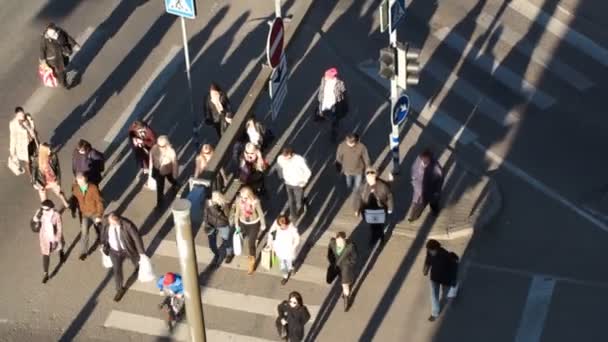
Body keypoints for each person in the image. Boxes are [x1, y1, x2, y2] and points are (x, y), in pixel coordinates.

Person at [100, 212, 146, 301]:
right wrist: (102, 244)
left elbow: (137, 239)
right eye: (110, 223)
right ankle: (119, 289)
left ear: (118, 221)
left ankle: (138, 268)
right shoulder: (106, 222)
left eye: (113, 224)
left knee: (136, 261)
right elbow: (103, 233)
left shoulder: (128, 225)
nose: (111, 225)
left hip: (128, 249)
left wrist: (142, 253)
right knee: (117, 271)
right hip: (114, 251)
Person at [354, 168, 394, 246]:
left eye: (371, 177)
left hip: (380, 210)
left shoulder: (382, 186)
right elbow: (358, 197)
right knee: (372, 226)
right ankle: (374, 238)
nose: (369, 179)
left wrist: (390, 208)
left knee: (380, 226)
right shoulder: (363, 186)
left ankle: (382, 238)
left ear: (375, 176)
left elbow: (389, 196)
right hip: (368, 211)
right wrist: (356, 209)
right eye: (368, 177)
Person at [423, 239, 459, 322]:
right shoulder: (430, 252)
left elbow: (454, 268)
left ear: (437, 249)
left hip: (445, 278)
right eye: (429, 250)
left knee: (450, 290)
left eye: (431, 250)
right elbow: (428, 261)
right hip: (434, 278)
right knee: (433, 296)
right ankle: (434, 313)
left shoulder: (445, 255)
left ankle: (453, 293)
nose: (430, 252)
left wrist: (453, 280)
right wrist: (425, 269)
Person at [71, 173, 104, 261]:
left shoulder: (93, 188)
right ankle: (83, 252)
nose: (80, 184)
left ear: (85, 180)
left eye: (81, 182)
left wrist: (99, 215)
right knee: (84, 233)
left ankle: (103, 243)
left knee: (100, 229)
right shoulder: (76, 188)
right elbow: (74, 199)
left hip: (94, 213)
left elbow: (99, 201)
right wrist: (73, 210)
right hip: (84, 213)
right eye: (78, 182)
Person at [233, 186, 266, 275]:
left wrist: (263, 224)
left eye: (245, 197)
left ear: (250, 196)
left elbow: (260, 213)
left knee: (251, 245)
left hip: (254, 224)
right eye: (242, 196)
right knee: (241, 238)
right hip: (242, 222)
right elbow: (237, 212)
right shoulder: (239, 200)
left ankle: (251, 265)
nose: (243, 199)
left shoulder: (255, 201)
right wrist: (236, 223)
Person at [32, 200, 65, 284]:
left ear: (50, 208)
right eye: (42, 208)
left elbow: (59, 228)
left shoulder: (56, 215)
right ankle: (45, 273)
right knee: (45, 254)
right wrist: (37, 216)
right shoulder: (40, 212)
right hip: (44, 237)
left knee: (60, 246)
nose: (44, 210)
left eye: (45, 209)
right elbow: (34, 220)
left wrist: (57, 240)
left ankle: (61, 254)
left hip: (54, 236)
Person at [39, 23, 80, 88]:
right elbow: (42, 49)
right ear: (48, 31)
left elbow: (67, 37)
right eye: (51, 31)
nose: (54, 32)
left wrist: (74, 45)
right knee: (61, 72)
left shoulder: (60, 31)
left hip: (64, 54)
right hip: (54, 60)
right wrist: (42, 60)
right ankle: (65, 84)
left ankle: (59, 75)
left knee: (65, 64)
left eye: (54, 30)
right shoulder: (45, 39)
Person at [276, 147, 311, 221]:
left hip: (298, 185)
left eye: (286, 156)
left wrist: (304, 182)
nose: (285, 158)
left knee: (298, 202)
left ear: (291, 153)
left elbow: (308, 172)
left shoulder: (299, 160)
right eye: (284, 156)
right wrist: (282, 177)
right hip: (288, 183)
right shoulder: (281, 158)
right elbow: (279, 167)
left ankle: (302, 203)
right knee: (291, 200)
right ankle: (294, 216)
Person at [31, 143, 70, 208]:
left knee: (59, 192)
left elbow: (57, 169)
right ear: (44, 152)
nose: (50, 151)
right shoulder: (37, 159)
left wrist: (58, 181)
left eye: (50, 149)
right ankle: (46, 210)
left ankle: (65, 202)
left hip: (52, 179)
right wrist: (34, 182)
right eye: (48, 150)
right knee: (43, 200)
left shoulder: (53, 156)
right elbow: (34, 170)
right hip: (41, 181)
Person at [409, 149, 444, 222]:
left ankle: (435, 212)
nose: (424, 163)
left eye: (426, 162)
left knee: (433, 203)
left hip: (430, 191)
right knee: (415, 204)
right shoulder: (419, 160)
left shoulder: (436, 168)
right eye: (423, 161)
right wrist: (414, 179)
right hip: (418, 190)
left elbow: (439, 181)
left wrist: (437, 192)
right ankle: (413, 217)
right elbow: (414, 169)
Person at [315, 67, 348, 142]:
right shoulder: (324, 80)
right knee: (324, 112)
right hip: (325, 103)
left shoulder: (339, 83)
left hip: (335, 105)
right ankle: (322, 117)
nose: (325, 77)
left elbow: (344, 93)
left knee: (335, 120)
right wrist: (319, 98)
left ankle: (334, 135)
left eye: (327, 76)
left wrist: (344, 102)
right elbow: (321, 90)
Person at [327, 232, 357, 311]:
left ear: (345, 240)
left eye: (341, 241)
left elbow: (354, 258)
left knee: (345, 285)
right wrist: (332, 262)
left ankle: (346, 300)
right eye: (338, 241)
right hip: (336, 267)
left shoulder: (350, 247)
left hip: (345, 268)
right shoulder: (332, 243)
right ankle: (346, 293)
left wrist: (348, 264)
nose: (339, 243)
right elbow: (329, 254)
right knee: (335, 280)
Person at [268, 215, 300, 285]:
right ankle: (285, 276)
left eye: (284, 225)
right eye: (281, 225)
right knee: (283, 264)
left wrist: (293, 247)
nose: (282, 227)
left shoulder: (292, 229)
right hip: (280, 250)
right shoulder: (276, 227)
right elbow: (272, 235)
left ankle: (291, 268)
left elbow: (297, 239)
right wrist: (271, 244)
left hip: (288, 251)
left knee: (288, 262)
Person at [203, 191, 233, 265]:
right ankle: (217, 255)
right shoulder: (209, 204)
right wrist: (206, 225)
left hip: (222, 224)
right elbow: (205, 215)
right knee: (212, 244)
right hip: (211, 224)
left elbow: (226, 216)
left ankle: (229, 254)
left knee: (226, 240)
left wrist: (223, 206)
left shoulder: (221, 204)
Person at [150, 135, 179, 208]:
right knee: (160, 188)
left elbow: (175, 163)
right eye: (158, 145)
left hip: (167, 171)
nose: (160, 147)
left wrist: (175, 174)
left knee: (171, 179)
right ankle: (159, 204)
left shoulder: (171, 151)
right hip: (158, 170)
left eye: (162, 146)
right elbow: (151, 157)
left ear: (166, 144)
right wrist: (151, 168)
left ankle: (175, 184)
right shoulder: (154, 148)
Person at [9, 107, 38, 175]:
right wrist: (12, 152)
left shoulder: (27, 118)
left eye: (23, 114)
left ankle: (37, 169)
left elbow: (32, 126)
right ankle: (32, 178)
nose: (22, 116)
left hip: (32, 141)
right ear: (16, 115)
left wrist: (33, 128)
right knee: (27, 161)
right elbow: (13, 138)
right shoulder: (13, 124)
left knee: (36, 154)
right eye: (20, 115)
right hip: (23, 146)